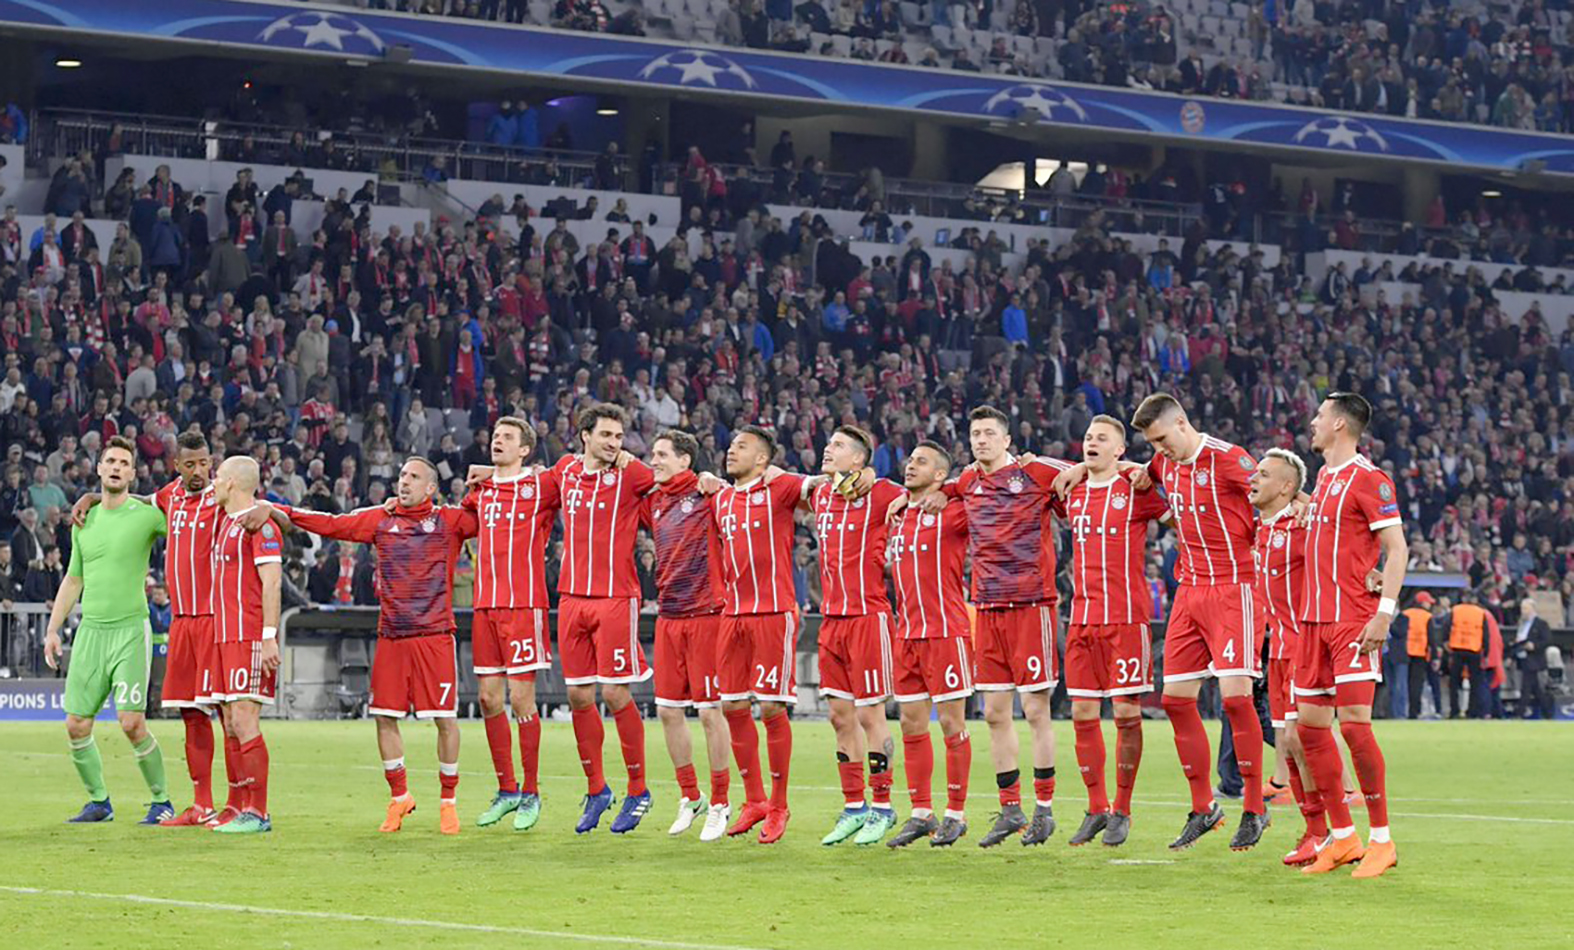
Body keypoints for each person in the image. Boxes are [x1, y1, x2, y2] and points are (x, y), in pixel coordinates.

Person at [1072, 392, 1271, 851]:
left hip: (1234, 587)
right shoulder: (1163, 464)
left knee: (1235, 698)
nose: (1159, 450)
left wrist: (1292, 517)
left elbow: (1276, 490)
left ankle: (1254, 807)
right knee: (1175, 700)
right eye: (1152, 443)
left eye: (1162, 439)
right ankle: (1204, 807)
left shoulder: (1229, 458)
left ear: (1182, 423)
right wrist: (1080, 469)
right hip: (1189, 591)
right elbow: (1127, 470)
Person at [277, 458, 478, 835]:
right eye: (402, 475)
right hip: (392, 637)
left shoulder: (449, 521)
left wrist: (483, 481)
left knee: (445, 720)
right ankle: (399, 797)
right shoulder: (381, 520)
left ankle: (448, 802)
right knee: (384, 716)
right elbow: (334, 524)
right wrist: (285, 512)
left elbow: (491, 514)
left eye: (414, 477)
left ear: (430, 488)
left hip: (434, 637)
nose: (404, 481)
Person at [940, 405, 1073, 848]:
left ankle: (1044, 809)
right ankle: (1011, 808)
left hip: (1031, 605)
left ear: (1007, 440)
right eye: (975, 434)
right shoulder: (967, 481)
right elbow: (939, 490)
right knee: (995, 713)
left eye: (989, 433)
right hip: (987, 607)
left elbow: (1083, 472)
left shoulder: (1034, 472)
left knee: (1036, 711)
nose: (981, 440)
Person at [1296, 392, 1406, 879]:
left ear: (1340, 424)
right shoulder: (1324, 478)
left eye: (1320, 415)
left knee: (1355, 726)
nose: (1313, 422)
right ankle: (1343, 838)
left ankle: (1382, 840)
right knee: (1310, 727)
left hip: (1352, 621)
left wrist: (1384, 613)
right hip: (1313, 621)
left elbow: (1397, 549)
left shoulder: (1370, 479)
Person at [43, 437, 173, 824]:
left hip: (130, 630)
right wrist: (53, 629)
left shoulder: (147, 516)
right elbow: (73, 579)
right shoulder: (84, 521)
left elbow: (183, 520)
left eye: (123, 463)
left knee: (132, 723)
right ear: (99, 468)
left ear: (133, 473)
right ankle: (99, 802)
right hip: (91, 633)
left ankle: (162, 801)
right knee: (76, 724)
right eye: (110, 461)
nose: (116, 467)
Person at [1055, 416, 1169, 848]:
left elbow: (1177, 510)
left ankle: (1122, 808)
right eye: (1088, 437)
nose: (1092, 442)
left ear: (1120, 449)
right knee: (1083, 713)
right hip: (1082, 619)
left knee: (1124, 713)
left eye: (1102, 438)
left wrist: (1138, 469)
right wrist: (1076, 469)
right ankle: (1096, 807)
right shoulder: (1072, 489)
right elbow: (1029, 466)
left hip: (1126, 618)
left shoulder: (1135, 488)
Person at [552, 403, 658, 834]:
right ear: (585, 436)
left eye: (619, 436)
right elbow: (529, 482)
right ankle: (597, 790)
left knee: (614, 692)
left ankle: (638, 790)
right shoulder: (565, 470)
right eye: (606, 435)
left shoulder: (631, 474)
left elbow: (671, 483)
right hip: (571, 598)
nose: (615, 443)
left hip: (616, 596)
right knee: (578, 696)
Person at [795, 426, 902, 846]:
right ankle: (854, 807)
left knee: (871, 715)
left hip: (868, 617)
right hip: (832, 621)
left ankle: (883, 806)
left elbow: (925, 491)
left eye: (838, 446)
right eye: (828, 444)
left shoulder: (883, 493)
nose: (827, 449)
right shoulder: (822, 493)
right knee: (840, 717)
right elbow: (781, 482)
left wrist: (874, 476)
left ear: (859, 459)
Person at [461, 417, 562, 832]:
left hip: (524, 605)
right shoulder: (480, 491)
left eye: (507, 437)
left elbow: (577, 474)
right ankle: (507, 790)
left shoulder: (541, 485)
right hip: (485, 605)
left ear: (525, 449)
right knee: (488, 699)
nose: (497, 441)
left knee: (521, 700)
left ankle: (531, 793)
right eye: (495, 436)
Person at [711, 425, 805, 844]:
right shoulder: (721, 498)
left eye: (742, 446)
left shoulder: (780, 488)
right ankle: (754, 800)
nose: (732, 451)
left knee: (770, 706)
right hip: (733, 614)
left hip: (772, 611)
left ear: (763, 459)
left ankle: (780, 805)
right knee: (731, 703)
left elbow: (820, 488)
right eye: (731, 445)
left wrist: (785, 474)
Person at [641, 429, 733, 840]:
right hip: (669, 616)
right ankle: (690, 796)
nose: (654, 460)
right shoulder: (654, 502)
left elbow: (736, 500)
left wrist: (716, 481)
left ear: (685, 460)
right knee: (667, 711)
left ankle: (720, 802)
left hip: (706, 615)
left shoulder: (707, 496)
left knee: (711, 712)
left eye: (662, 454)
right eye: (652, 454)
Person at [884, 441, 974, 848]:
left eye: (921, 462)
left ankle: (956, 813)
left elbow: (983, 480)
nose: (910, 465)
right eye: (910, 459)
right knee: (910, 723)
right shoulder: (898, 514)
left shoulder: (953, 511)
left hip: (946, 632)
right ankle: (922, 812)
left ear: (939, 474)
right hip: (908, 634)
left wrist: (949, 489)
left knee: (952, 724)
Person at [1247, 448, 1328, 867]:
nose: (1253, 479)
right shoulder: (1257, 530)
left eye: (1264, 474)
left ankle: (1331, 830)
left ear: (1286, 487)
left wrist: (1308, 505)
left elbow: (1341, 536)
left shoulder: (1302, 526)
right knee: (1288, 743)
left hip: (1304, 647)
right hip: (1277, 650)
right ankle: (1316, 831)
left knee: (1302, 739)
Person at [206, 456, 283, 834]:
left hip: (249, 635)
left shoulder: (261, 527)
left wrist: (269, 636)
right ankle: (237, 806)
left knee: (244, 719)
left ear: (233, 482)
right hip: (223, 637)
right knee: (229, 721)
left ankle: (259, 812)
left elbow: (272, 582)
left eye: (218, 477)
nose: (213, 482)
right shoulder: (226, 522)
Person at [1400, 592, 1442, 720]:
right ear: (1422, 602)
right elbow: (1432, 639)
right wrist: (1435, 657)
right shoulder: (1427, 616)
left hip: (1404, 653)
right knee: (1416, 684)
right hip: (1420, 653)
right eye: (1428, 602)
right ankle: (1414, 711)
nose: (1430, 605)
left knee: (1403, 684)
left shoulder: (1405, 613)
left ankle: (1401, 711)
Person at [1511, 598, 1552, 720]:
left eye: (1525, 608)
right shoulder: (1521, 624)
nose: (1523, 611)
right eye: (1522, 608)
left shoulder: (1541, 624)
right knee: (1536, 689)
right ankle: (1548, 714)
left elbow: (1547, 640)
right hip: (1523, 658)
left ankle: (1519, 713)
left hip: (1534, 660)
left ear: (1532, 609)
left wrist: (1534, 646)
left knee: (1526, 687)